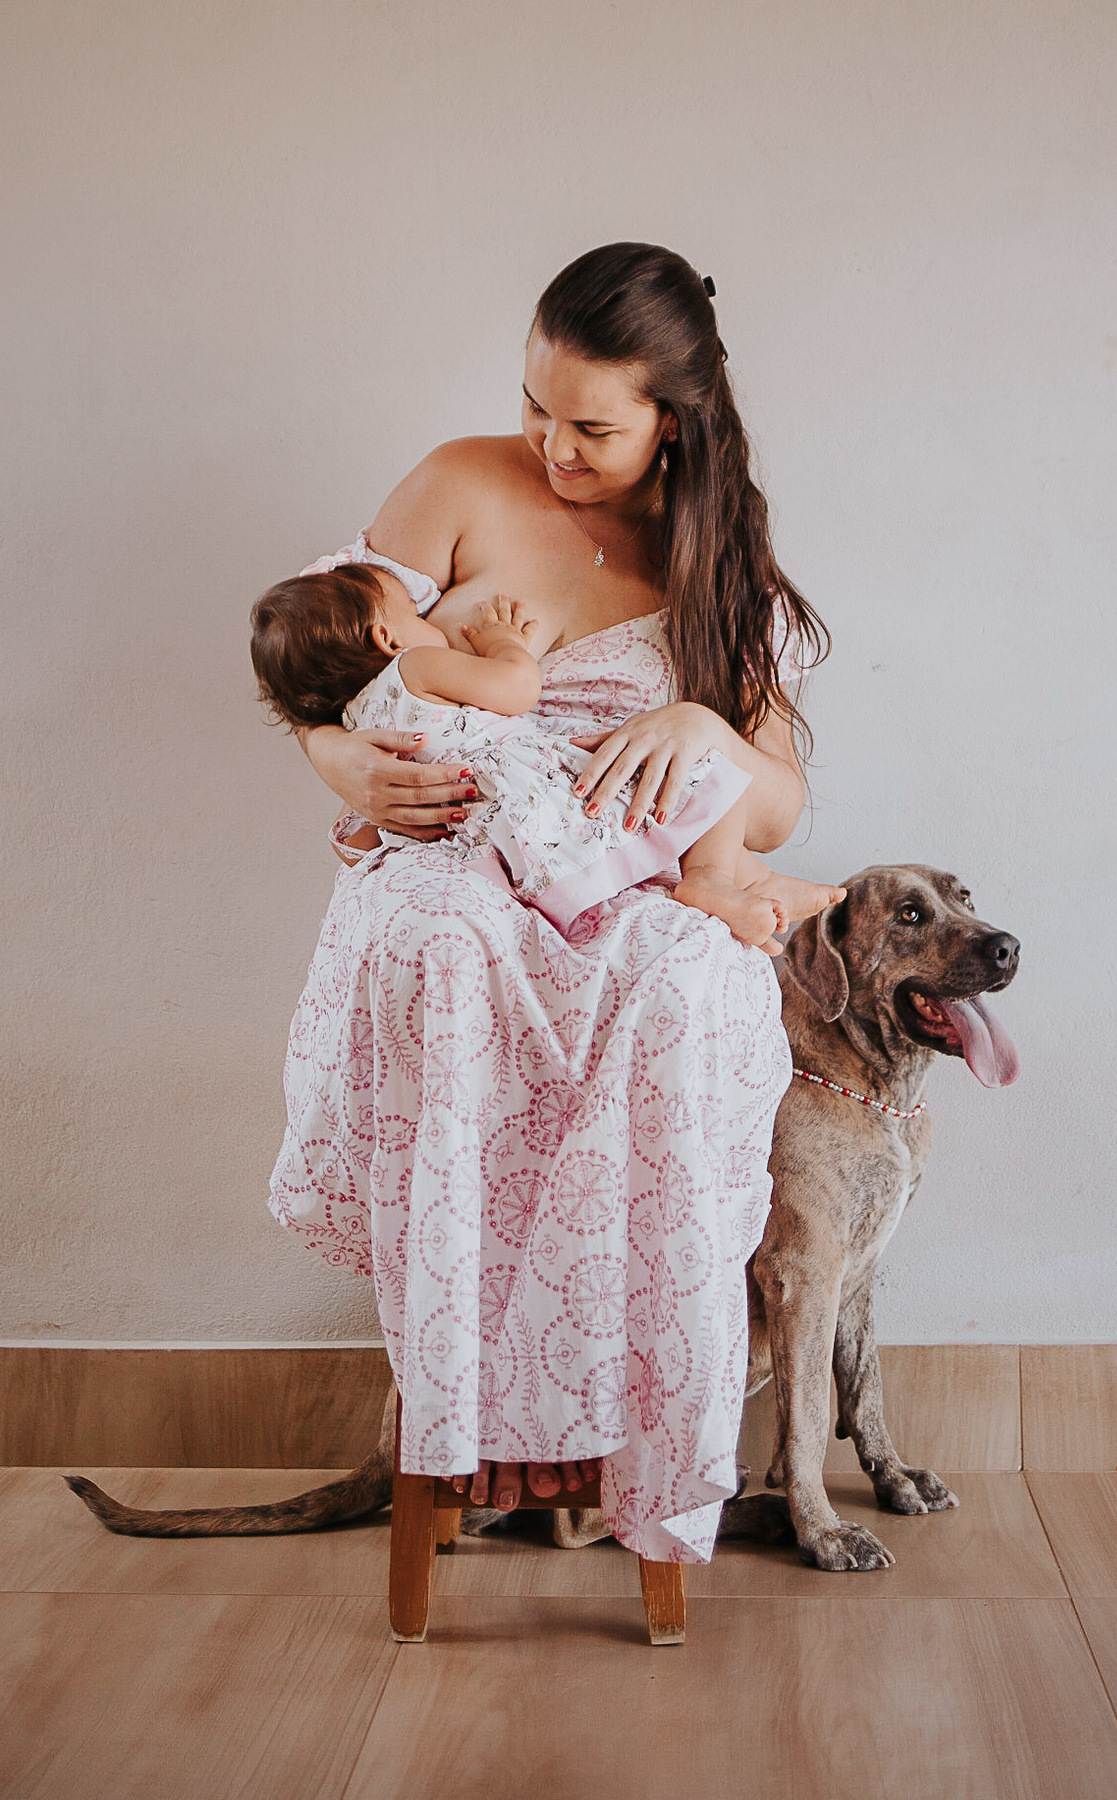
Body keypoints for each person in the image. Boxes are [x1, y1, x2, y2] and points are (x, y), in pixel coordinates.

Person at [269, 243, 831, 1560]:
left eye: (593, 428)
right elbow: (329, 657)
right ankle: (460, 1431)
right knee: (447, 940)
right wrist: (340, 761)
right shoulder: (460, 482)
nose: (552, 446)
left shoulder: (720, 564)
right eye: (535, 406)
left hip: (612, 860)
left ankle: (619, 1445)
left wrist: (703, 723)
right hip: (456, 848)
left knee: (687, 980)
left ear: (673, 422)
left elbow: (774, 802)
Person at [249, 562, 843, 945]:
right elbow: (517, 690)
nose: (431, 623)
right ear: (388, 637)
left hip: (474, 831)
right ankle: (715, 880)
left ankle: (758, 886)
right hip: (535, 790)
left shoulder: (355, 719)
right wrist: (504, 643)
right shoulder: (412, 665)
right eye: (413, 613)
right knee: (706, 773)